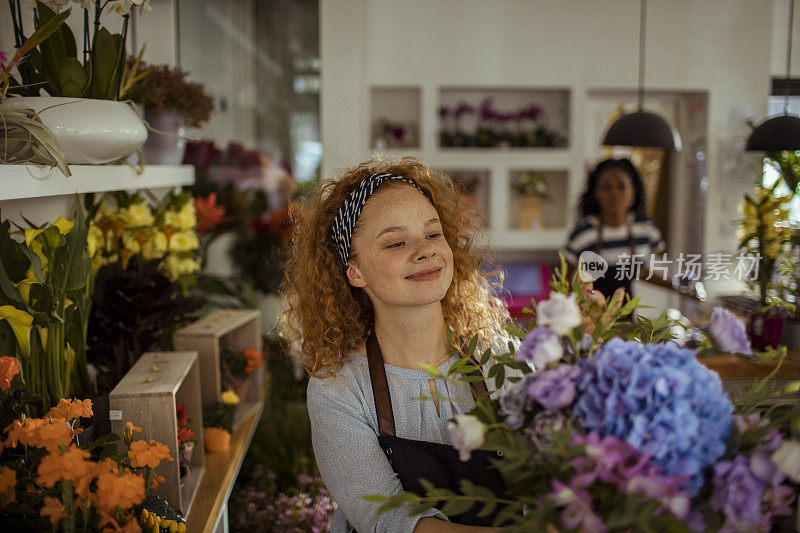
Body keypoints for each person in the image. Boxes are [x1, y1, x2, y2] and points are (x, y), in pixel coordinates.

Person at [279, 157, 513, 532]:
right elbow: (389, 521)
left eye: (433, 234)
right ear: (354, 271)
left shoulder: (501, 358)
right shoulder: (338, 389)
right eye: (396, 243)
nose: (425, 251)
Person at [562, 158, 666, 299]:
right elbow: (563, 280)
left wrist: (679, 288)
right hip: (592, 314)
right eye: (606, 187)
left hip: (627, 316)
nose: (614, 194)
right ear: (596, 193)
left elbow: (641, 271)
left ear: (633, 191)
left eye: (621, 187)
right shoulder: (584, 233)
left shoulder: (644, 228)